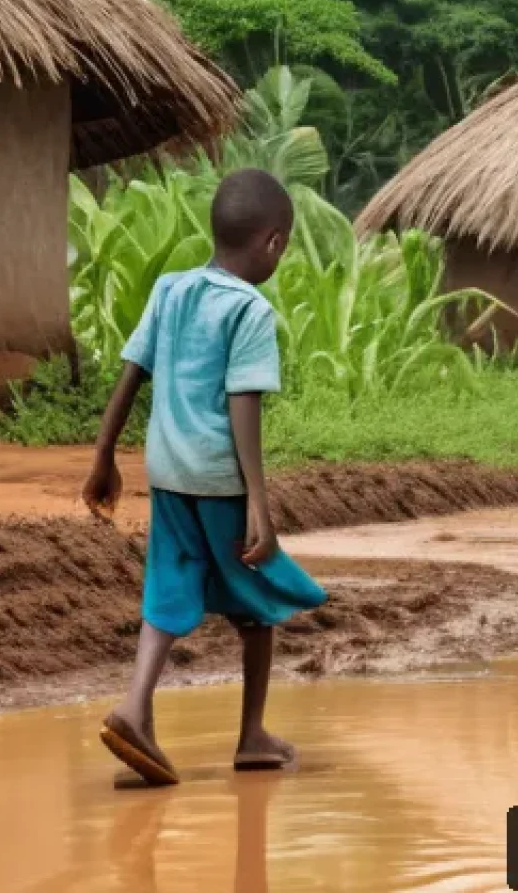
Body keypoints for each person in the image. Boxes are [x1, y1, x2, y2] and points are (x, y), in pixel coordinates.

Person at [83, 168, 327, 786]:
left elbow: (132, 372)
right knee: (261, 603)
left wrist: (104, 454)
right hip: (219, 478)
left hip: (167, 474)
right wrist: (261, 507)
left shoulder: (171, 289)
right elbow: (243, 405)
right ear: (273, 243)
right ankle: (251, 736)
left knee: (168, 587)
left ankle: (135, 706)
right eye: (286, 244)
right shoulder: (249, 310)